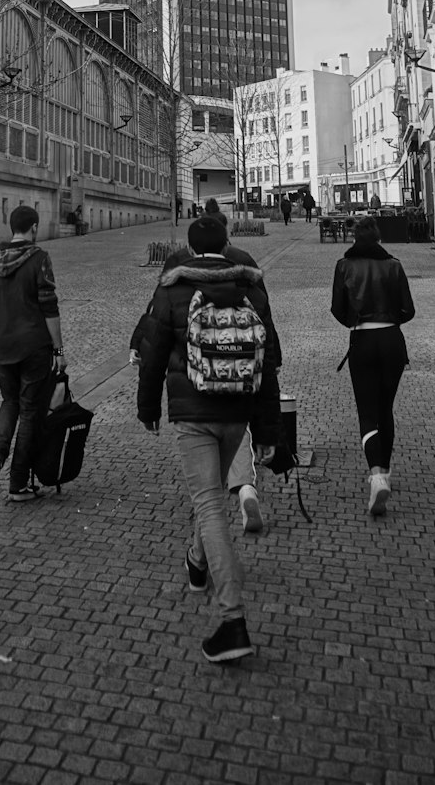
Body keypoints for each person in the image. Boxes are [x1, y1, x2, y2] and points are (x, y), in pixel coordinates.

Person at [138, 215, 282, 663]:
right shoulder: (250, 287)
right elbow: (268, 361)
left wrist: (148, 408)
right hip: (237, 411)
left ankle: (232, 619)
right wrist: (268, 430)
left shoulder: (172, 288)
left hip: (192, 412)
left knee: (208, 503)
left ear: (190, 246)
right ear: (226, 243)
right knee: (213, 495)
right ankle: (197, 561)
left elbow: (152, 353)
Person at [0, 205, 66, 502]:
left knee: (9, 403)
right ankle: (18, 484)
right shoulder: (39, 258)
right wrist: (59, 349)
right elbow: (49, 307)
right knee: (29, 412)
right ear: (35, 227)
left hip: (4, 348)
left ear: (11, 226)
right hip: (34, 347)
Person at [330, 214, 415, 516]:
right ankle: (387, 471)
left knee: (367, 413)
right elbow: (409, 310)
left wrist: (355, 320)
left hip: (363, 341)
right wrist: (389, 318)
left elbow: (337, 309)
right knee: (385, 409)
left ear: (355, 239)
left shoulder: (344, 266)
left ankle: (377, 474)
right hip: (392, 340)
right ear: (378, 237)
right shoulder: (394, 265)